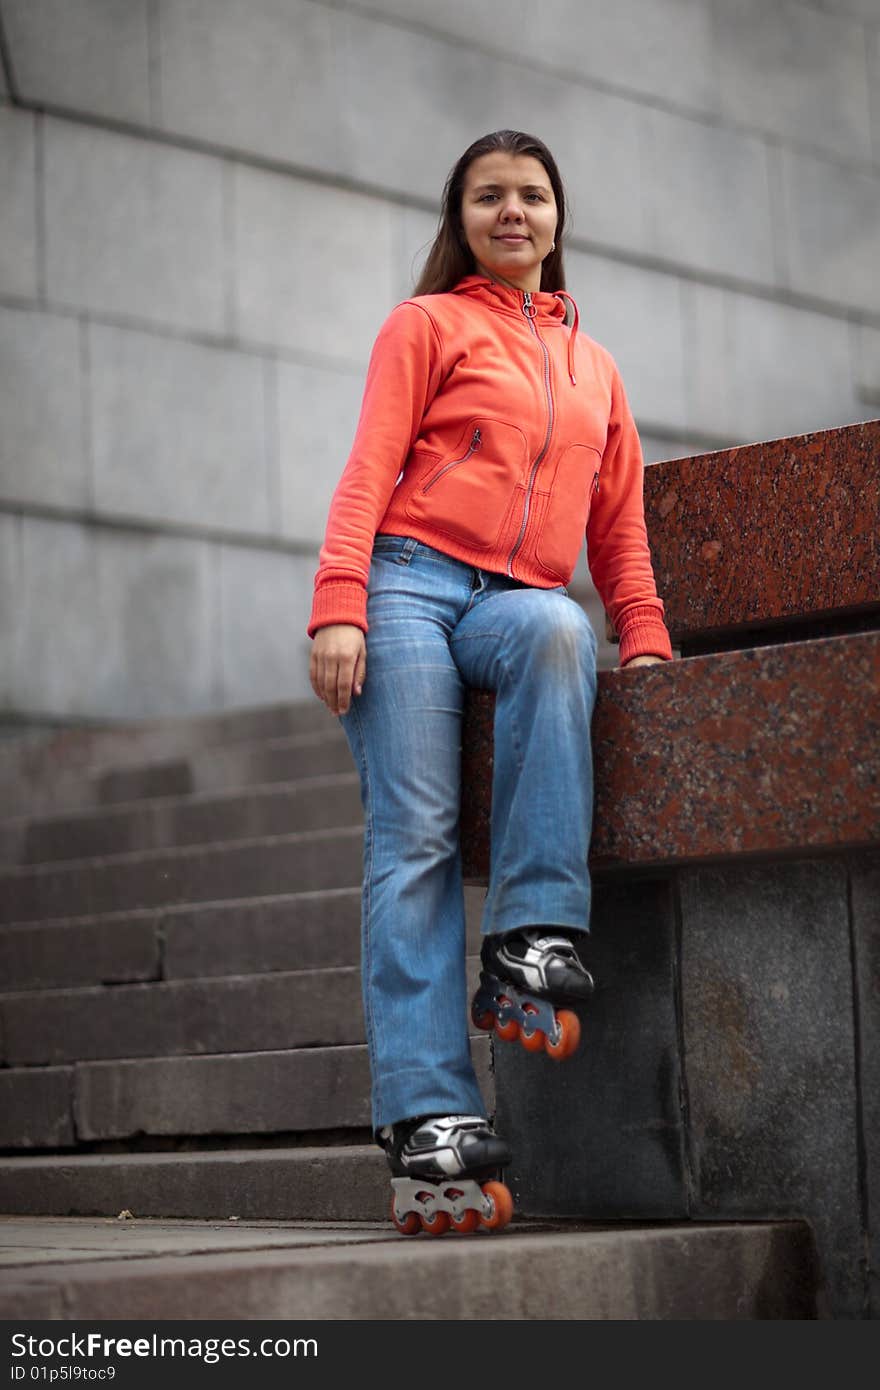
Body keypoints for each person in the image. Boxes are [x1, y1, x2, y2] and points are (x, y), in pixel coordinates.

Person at [307, 129, 673, 1235]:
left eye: (530, 194)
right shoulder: (425, 325)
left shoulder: (594, 367)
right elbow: (370, 464)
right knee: (414, 831)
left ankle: (527, 939)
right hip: (410, 583)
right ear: (459, 216)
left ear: (557, 217)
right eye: (488, 195)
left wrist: (645, 634)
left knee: (563, 629)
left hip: (512, 598)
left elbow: (619, 529)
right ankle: (426, 1111)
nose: (511, 211)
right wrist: (339, 599)